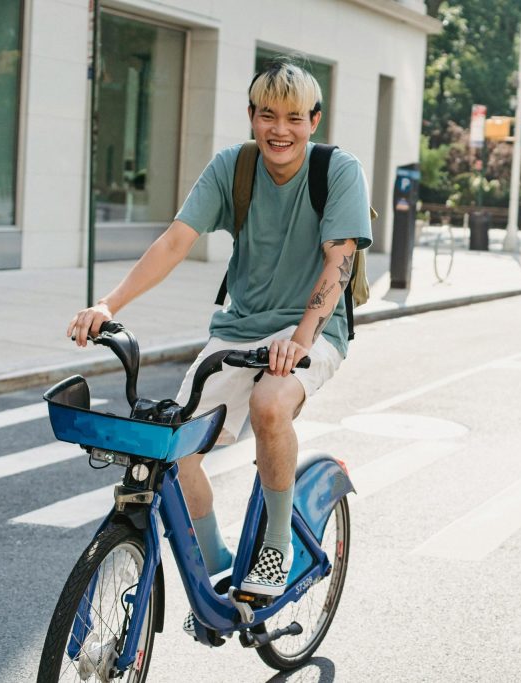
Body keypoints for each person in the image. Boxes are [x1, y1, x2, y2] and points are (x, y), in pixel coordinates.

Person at [67, 60, 373, 602]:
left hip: (313, 330)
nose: (280, 129)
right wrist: (107, 303)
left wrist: (298, 344)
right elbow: (174, 242)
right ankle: (215, 568)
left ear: (314, 121)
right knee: (174, 450)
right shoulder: (233, 168)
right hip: (239, 329)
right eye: (268, 115)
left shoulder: (338, 171)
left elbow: (338, 265)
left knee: (271, 405)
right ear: (252, 117)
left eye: (294, 118)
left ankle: (276, 545)